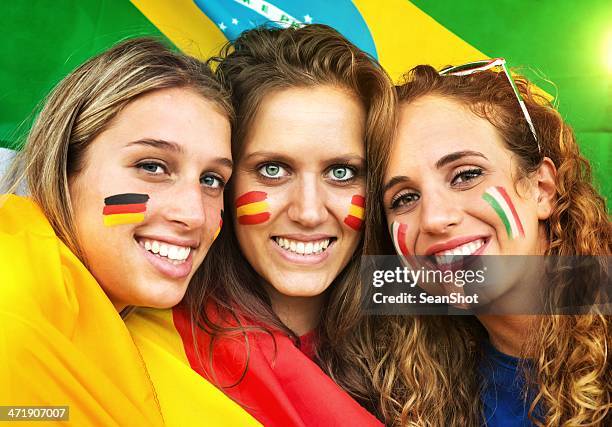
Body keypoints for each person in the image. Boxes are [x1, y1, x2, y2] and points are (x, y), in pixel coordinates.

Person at [127, 24, 395, 426]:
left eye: (341, 172)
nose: (308, 212)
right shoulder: (156, 327)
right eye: (273, 170)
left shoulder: (409, 289)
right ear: (225, 180)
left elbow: (523, 291)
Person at [332, 60, 611, 426]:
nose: (434, 218)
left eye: (466, 175)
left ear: (542, 190)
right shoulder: (419, 390)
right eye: (403, 198)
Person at [0, 37, 258, 425]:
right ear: (67, 165)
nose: (193, 214)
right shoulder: (13, 318)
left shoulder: (121, 319)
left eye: (211, 179)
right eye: (152, 166)